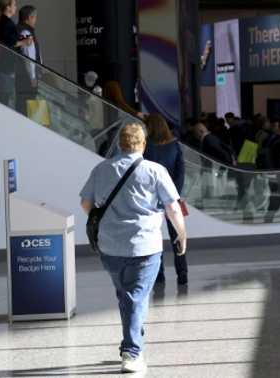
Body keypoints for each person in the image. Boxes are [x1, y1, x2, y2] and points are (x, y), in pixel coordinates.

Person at [79, 123, 186, 373]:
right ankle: (131, 352)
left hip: (110, 247)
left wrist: (105, 218)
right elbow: (172, 207)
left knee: (127, 295)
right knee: (135, 298)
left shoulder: (102, 168)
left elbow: (86, 204)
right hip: (145, 246)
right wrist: (182, 234)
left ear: (120, 144)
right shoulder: (155, 170)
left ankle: (133, 341)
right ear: (143, 144)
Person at [143, 114, 188, 287]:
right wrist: (173, 195)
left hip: (151, 199)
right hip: (172, 199)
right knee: (178, 235)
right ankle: (182, 272)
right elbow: (181, 172)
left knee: (155, 237)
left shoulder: (146, 147)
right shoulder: (174, 145)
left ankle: (158, 274)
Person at [0, 0, 31, 106]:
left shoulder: (3, 21)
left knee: (3, 97)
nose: (16, 7)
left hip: (4, 65)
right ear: (8, 7)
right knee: (3, 100)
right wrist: (24, 42)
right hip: (5, 66)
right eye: (14, 5)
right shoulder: (6, 22)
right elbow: (9, 42)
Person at [14, 5, 42, 114]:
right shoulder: (25, 33)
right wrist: (33, 77)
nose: (35, 21)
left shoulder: (21, 30)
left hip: (22, 76)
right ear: (29, 17)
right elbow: (28, 57)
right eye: (35, 18)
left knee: (23, 106)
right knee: (26, 108)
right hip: (26, 78)